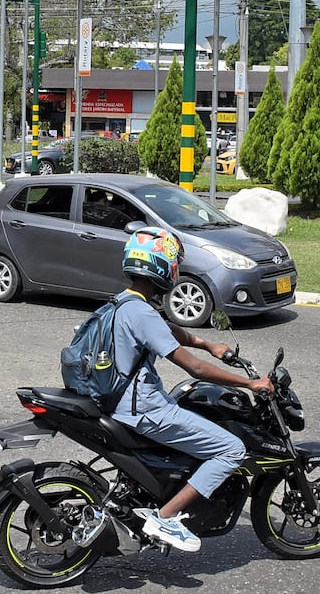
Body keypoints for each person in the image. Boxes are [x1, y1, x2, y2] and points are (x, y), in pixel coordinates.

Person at [108, 226, 274, 553]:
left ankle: (160, 490)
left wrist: (206, 342)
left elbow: (168, 330)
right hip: (144, 410)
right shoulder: (141, 312)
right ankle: (166, 517)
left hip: (122, 401)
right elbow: (193, 368)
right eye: (174, 264)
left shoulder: (125, 302)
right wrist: (250, 383)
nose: (176, 270)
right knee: (230, 449)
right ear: (163, 267)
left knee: (187, 404)